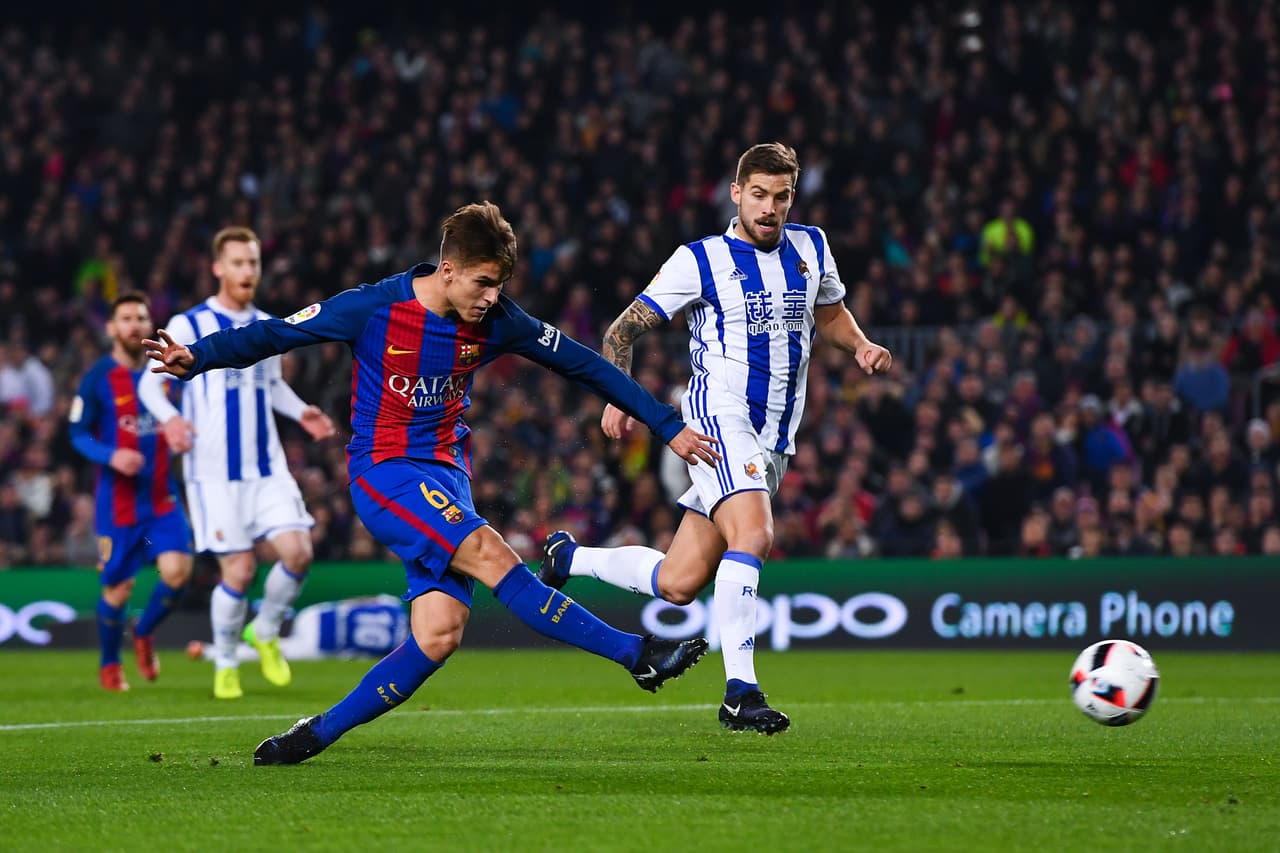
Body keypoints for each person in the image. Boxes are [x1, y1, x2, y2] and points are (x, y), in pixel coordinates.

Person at [145, 202, 717, 764]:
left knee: (439, 635)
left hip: (446, 476)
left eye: (500, 284)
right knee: (492, 554)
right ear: (448, 270)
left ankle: (314, 734)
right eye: (484, 282)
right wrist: (196, 357)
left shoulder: (497, 320)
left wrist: (666, 425)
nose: (492, 297)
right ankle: (636, 654)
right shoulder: (371, 308)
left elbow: (583, 363)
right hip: (385, 472)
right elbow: (275, 334)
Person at [538, 143, 892, 734]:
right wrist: (617, 396)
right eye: (758, 195)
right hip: (717, 414)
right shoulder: (699, 259)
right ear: (736, 193)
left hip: (776, 432)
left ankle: (568, 557)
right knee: (753, 535)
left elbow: (829, 313)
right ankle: (740, 693)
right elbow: (622, 329)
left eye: (781, 197)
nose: (770, 208)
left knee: (678, 583)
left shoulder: (812, 247)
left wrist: (859, 345)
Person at [138, 227, 337, 700]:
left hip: (265, 467)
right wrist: (169, 420)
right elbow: (150, 383)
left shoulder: (268, 324)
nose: (248, 271)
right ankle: (225, 661)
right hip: (213, 475)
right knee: (240, 571)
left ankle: (264, 631)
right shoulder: (189, 325)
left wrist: (299, 410)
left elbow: (270, 387)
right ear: (218, 268)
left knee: (299, 552)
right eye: (239, 263)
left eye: (253, 262)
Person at [68, 294, 193, 691]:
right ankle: (109, 663)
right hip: (118, 503)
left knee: (178, 571)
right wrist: (111, 454)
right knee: (118, 590)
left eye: (141, 317)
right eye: (126, 318)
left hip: (161, 498)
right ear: (111, 328)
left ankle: (144, 632)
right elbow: (77, 432)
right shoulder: (97, 378)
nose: (135, 325)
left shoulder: (167, 372)